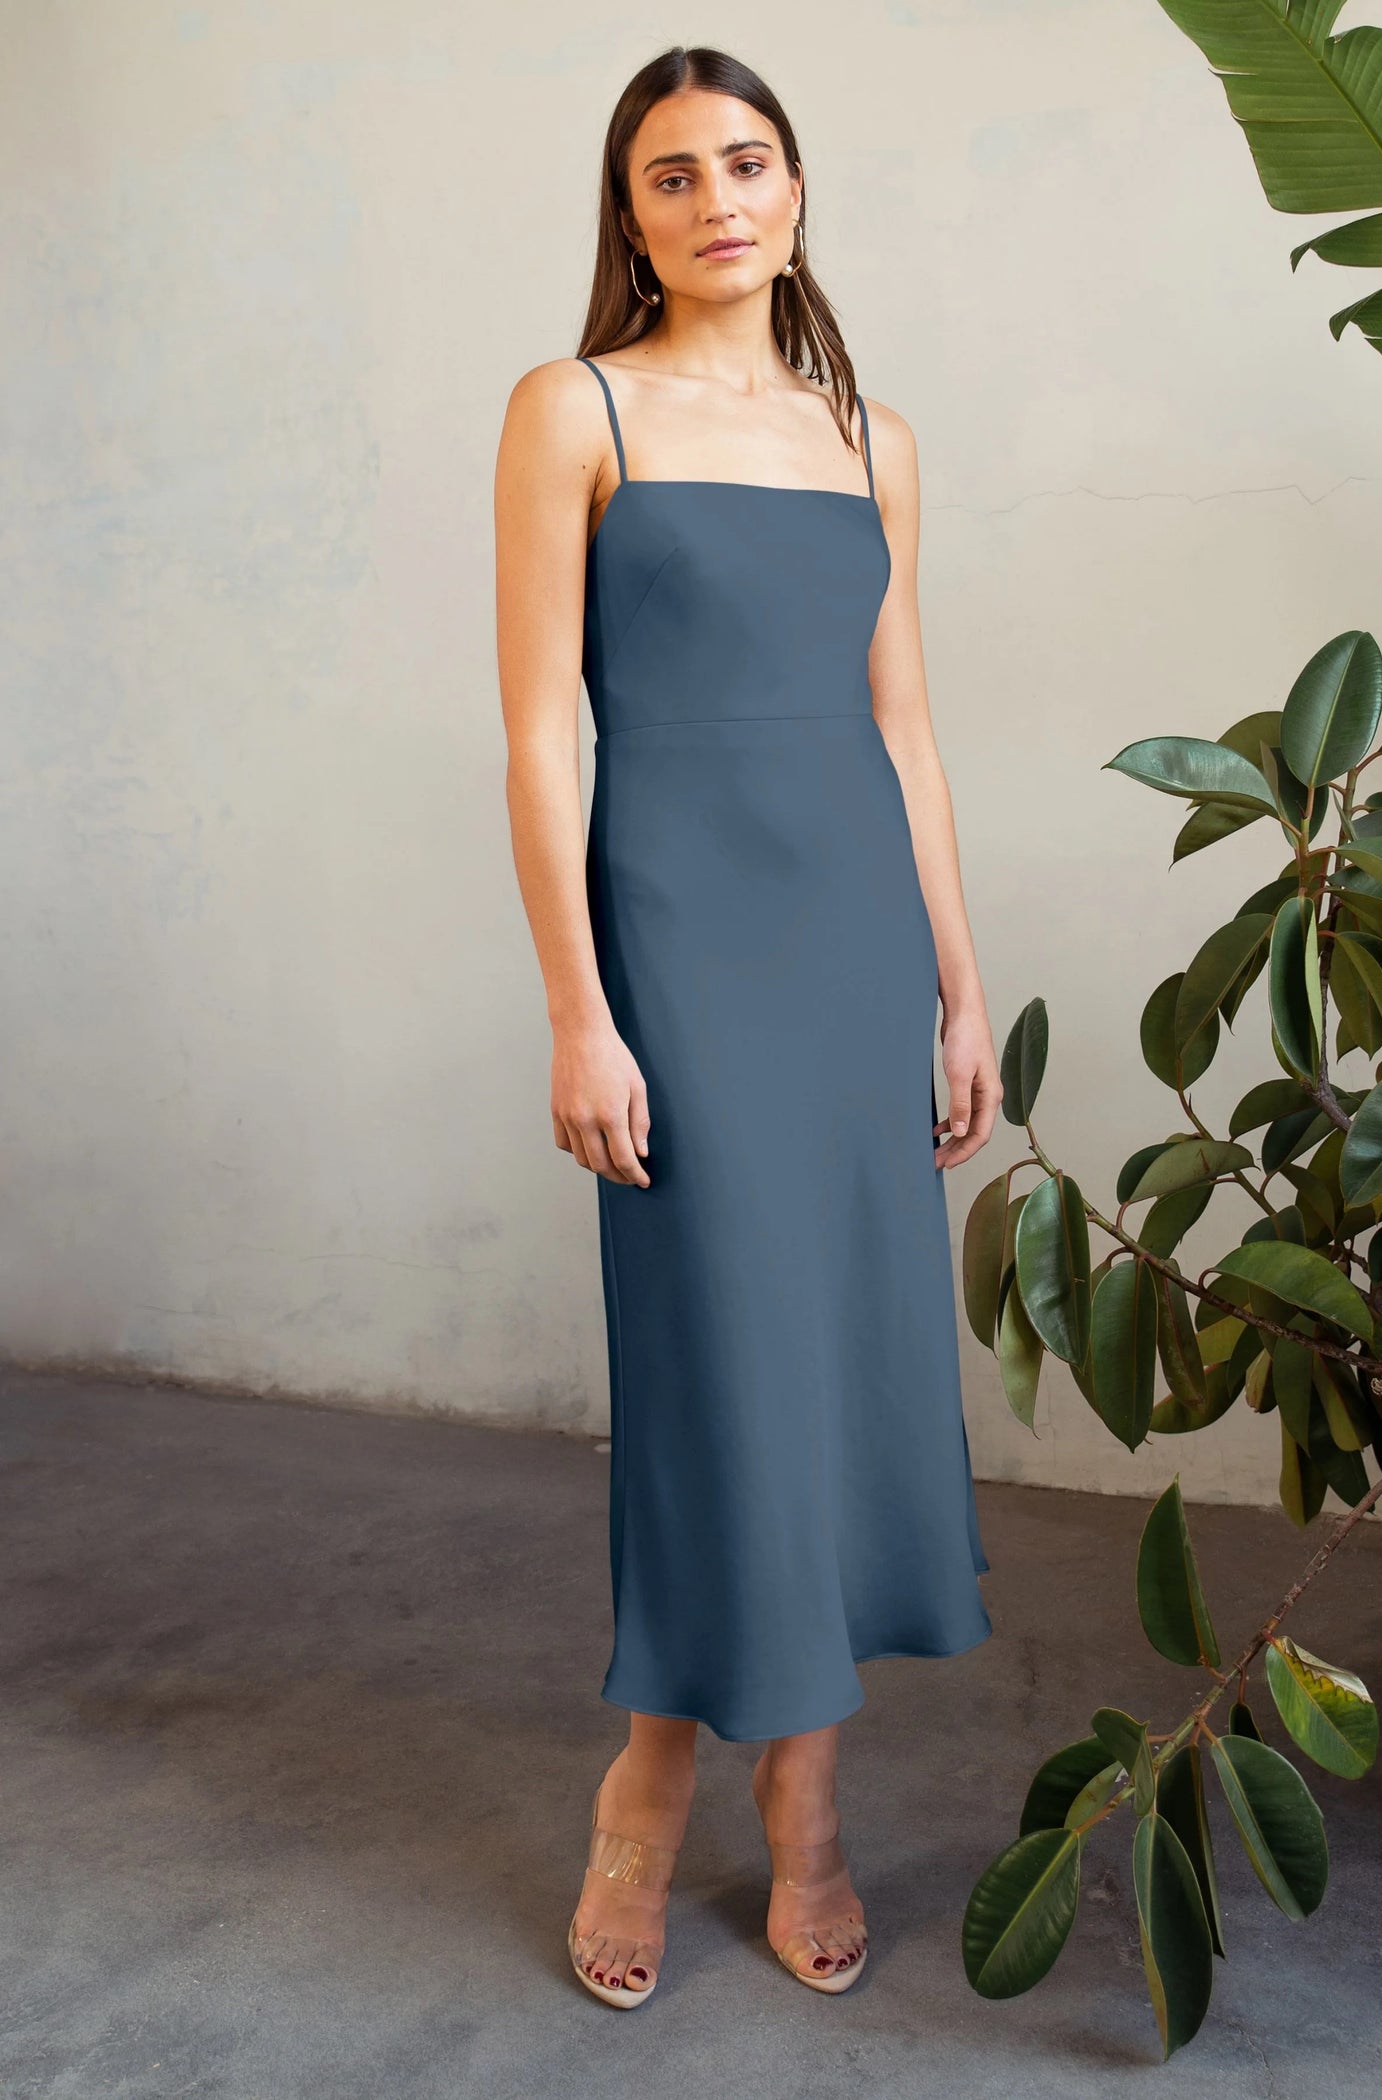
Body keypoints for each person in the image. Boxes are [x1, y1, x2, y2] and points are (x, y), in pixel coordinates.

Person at [495, 44, 1002, 2008]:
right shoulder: (574, 408)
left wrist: (961, 984)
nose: (719, 198)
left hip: (854, 950)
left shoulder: (870, 433)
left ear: (796, 190)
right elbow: (544, 727)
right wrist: (576, 1008)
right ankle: (646, 1786)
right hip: (679, 952)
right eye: (672, 175)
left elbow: (904, 725)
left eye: (750, 162)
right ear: (628, 219)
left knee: (851, 1374)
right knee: (720, 1381)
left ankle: (806, 1799)